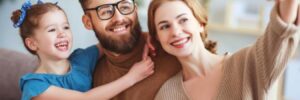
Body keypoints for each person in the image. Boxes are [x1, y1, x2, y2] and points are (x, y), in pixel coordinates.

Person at [147, 0, 300, 99]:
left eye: (183, 20)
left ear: (200, 23)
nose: (175, 31)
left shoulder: (247, 64)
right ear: (157, 38)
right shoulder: (167, 95)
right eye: (165, 26)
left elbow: (281, 30)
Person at [12, 1, 155, 100]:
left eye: (66, 27)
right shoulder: (35, 85)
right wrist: (132, 77)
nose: (62, 33)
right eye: (52, 30)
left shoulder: (82, 59)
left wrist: (150, 36)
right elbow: (85, 98)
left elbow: (113, 41)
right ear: (32, 44)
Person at [78, 0, 182, 99]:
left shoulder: (174, 51)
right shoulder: (88, 75)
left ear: (135, 9)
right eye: (106, 11)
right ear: (88, 22)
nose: (119, 18)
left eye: (125, 7)